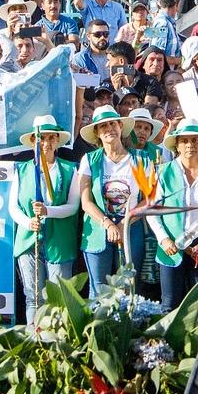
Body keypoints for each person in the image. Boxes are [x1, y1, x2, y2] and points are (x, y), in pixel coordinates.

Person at [148, 120, 198, 308]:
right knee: (169, 303)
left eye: (195, 140)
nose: (190, 145)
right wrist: (163, 239)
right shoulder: (162, 171)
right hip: (171, 245)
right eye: (184, 141)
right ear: (176, 145)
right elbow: (151, 210)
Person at [74, 106, 148, 297]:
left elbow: (148, 199)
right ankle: (98, 327)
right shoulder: (89, 160)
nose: (109, 129)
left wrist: (123, 224)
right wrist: (108, 225)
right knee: (99, 288)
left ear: (121, 126)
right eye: (103, 126)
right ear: (97, 133)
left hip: (131, 227)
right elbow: (86, 201)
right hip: (98, 229)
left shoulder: (140, 160)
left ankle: (126, 327)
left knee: (128, 286)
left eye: (113, 124)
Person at [15, 115, 81, 318]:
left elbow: (73, 206)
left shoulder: (70, 169)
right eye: (41, 138)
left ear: (57, 141)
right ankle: (34, 342)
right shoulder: (22, 169)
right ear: (34, 141)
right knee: (33, 297)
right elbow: (13, 207)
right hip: (29, 241)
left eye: (51, 138)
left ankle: (58, 345)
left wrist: (48, 212)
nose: (46, 143)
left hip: (59, 241)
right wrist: (28, 222)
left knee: (59, 298)